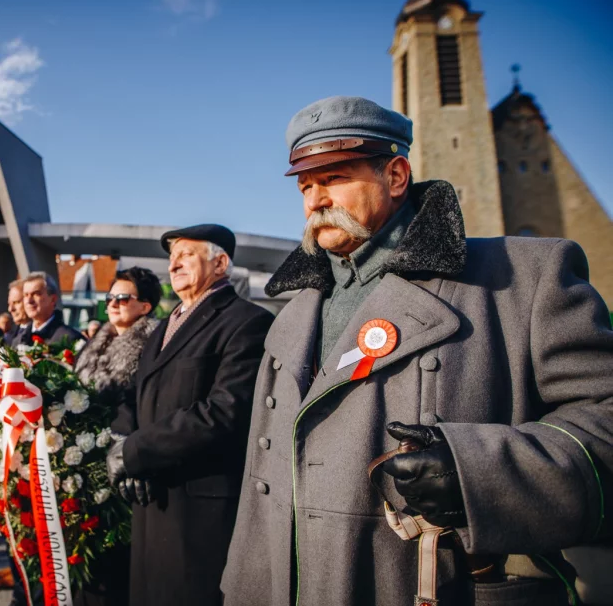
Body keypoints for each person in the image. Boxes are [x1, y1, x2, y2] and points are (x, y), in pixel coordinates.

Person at [221, 96, 613, 606]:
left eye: (335, 178)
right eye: (306, 185)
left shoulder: (524, 278)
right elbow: (261, 487)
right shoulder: (292, 315)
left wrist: (479, 471)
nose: (316, 200)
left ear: (397, 175)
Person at [106, 225, 273, 606]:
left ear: (221, 263)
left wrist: (137, 451)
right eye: (171, 257)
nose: (174, 262)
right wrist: (125, 445)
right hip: (152, 499)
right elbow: (133, 396)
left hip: (198, 512)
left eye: (186, 253)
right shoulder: (163, 326)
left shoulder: (247, 322)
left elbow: (225, 411)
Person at [72, 267, 162, 606]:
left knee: (113, 561)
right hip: (84, 461)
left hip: (122, 460)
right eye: (109, 297)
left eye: (123, 298)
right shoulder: (97, 340)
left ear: (146, 306)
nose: (113, 303)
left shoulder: (154, 343)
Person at [16, 272, 84, 346]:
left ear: (53, 299)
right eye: (26, 295)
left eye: (36, 294)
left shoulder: (72, 340)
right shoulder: (18, 341)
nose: (29, 301)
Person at [3, 279, 30, 346]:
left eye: (16, 302)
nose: (10, 309)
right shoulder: (11, 335)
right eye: (9, 304)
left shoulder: (39, 334)